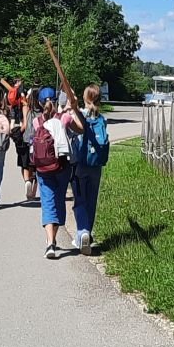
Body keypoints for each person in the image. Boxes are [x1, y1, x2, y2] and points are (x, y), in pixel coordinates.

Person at [34, 86, 80, 258]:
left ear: (39, 103)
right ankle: (53, 238)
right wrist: (73, 108)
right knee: (59, 200)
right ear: (56, 100)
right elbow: (81, 129)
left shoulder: (37, 121)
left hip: (42, 167)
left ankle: (50, 243)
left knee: (47, 202)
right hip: (62, 166)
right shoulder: (64, 118)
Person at [68, 83, 106, 256]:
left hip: (81, 164)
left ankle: (82, 232)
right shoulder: (101, 119)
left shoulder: (81, 115)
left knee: (80, 200)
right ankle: (87, 234)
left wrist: (70, 113)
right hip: (96, 165)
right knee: (91, 201)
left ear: (85, 97)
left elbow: (73, 130)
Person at [18, 87, 40, 200]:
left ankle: (27, 182)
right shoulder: (43, 110)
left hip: (27, 139)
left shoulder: (26, 108)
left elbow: (25, 125)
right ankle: (34, 191)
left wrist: (17, 132)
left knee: (25, 164)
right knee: (37, 166)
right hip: (39, 140)